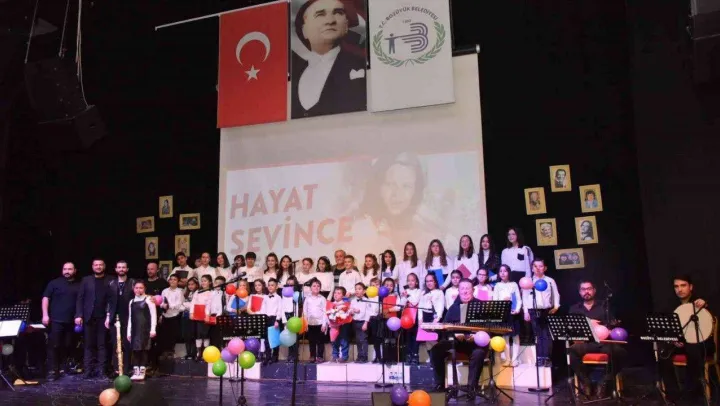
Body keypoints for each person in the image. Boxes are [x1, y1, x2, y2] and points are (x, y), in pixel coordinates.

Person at [291, 0, 366, 118]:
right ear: (304, 30)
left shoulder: (361, 66)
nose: (330, 21)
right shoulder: (292, 75)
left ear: (346, 26)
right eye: (320, 14)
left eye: (338, 13)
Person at [568, 280, 627, 399]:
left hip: (603, 343)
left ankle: (605, 380)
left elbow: (613, 325)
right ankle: (585, 381)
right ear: (580, 292)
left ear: (594, 290)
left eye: (589, 289)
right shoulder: (574, 309)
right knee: (571, 351)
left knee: (620, 352)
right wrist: (589, 323)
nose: (586, 292)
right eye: (583, 289)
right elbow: (571, 328)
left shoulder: (605, 306)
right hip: (585, 343)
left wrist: (610, 329)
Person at [430, 278, 488, 399]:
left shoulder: (481, 306)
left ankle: (472, 388)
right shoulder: (453, 307)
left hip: (475, 343)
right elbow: (445, 328)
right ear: (459, 291)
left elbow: (489, 328)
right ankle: (440, 385)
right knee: (436, 350)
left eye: (467, 288)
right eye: (462, 288)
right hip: (456, 342)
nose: (465, 291)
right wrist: (453, 334)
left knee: (478, 353)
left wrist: (476, 335)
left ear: (473, 290)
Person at [659, 274, 712, 403]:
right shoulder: (671, 305)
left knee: (694, 351)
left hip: (699, 343)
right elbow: (668, 329)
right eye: (676, 286)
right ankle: (673, 395)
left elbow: (709, 323)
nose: (679, 289)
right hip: (679, 342)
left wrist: (705, 305)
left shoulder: (699, 302)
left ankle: (691, 393)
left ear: (691, 287)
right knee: (663, 354)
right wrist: (674, 340)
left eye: (683, 285)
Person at [42, 262, 80, 381]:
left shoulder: (79, 285)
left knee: (68, 345)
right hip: (55, 320)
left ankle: (64, 368)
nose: (67, 271)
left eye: (70, 269)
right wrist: (45, 315)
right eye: (65, 269)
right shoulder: (54, 283)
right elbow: (45, 298)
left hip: (71, 321)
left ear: (75, 270)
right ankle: (53, 370)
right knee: (54, 345)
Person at [75, 259, 112, 379]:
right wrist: (78, 315)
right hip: (89, 317)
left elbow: (112, 299)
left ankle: (102, 371)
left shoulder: (110, 280)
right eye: (96, 265)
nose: (98, 267)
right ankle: (87, 371)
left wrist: (109, 315)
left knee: (102, 345)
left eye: (100, 265)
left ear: (104, 266)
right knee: (88, 345)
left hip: (103, 318)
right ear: (92, 267)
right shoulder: (86, 280)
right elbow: (80, 298)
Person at [521, 259, 560, 367]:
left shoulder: (550, 280)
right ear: (532, 268)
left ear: (545, 268)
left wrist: (556, 306)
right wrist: (526, 311)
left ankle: (547, 358)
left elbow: (556, 294)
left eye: (540, 266)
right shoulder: (529, 281)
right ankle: (539, 358)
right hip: (533, 310)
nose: (538, 268)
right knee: (537, 335)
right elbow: (525, 297)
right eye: (535, 266)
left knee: (546, 335)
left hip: (546, 310)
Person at [107, 261, 135, 376]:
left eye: (123, 267)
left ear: (127, 269)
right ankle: (116, 369)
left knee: (127, 344)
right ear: (116, 269)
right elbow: (108, 301)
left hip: (129, 318)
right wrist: (108, 316)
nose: (121, 269)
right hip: (115, 318)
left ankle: (127, 369)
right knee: (115, 344)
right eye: (119, 267)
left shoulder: (133, 282)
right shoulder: (111, 283)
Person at [126, 280, 157, 381]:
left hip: (145, 329)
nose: (138, 290)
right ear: (133, 289)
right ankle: (136, 371)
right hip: (135, 329)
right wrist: (128, 332)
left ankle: (142, 371)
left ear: (144, 289)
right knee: (135, 350)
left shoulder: (148, 300)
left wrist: (153, 329)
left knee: (144, 349)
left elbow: (153, 315)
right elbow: (130, 317)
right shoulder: (131, 301)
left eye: (141, 288)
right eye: (136, 288)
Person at [492, 265, 522, 367]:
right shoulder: (497, 285)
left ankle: (515, 359)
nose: (503, 273)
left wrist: (517, 310)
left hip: (513, 313)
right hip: (503, 314)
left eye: (505, 271)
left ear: (509, 272)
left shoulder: (514, 284)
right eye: (500, 271)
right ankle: (507, 359)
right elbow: (495, 300)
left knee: (515, 336)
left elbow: (518, 299)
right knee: (505, 337)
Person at [419, 273, 445, 362]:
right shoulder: (423, 293)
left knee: (434, 339)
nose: (429, 283)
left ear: (435, 282)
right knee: (427, 339)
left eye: (431, 281)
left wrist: (436, 320)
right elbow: (420, 307)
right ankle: (431, 358)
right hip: (425, 316)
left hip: (434, 317)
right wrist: (420, 319)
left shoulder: (439, 292)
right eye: (427, 281)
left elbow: (440, 307)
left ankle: (437, 359)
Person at [260, 279, 285, 365]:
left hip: (274, 319)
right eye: (269, 285)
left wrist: (277, 320)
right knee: (266, 339)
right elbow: (263, 308)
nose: (270, 287)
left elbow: (280, 309)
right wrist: (262, 318)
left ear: (276, 287)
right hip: (266, 319)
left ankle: (275, 356)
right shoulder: (265, 297)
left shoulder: (278, 298)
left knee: (274, 338)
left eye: (272, 285)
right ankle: (267, 357)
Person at [303, 279, 329, 363]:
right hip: (310, 323)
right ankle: (312, 356)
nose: (316, 287)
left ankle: (320, 356)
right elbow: (305, 311)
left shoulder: (322, 299)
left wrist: (324, 324)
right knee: (312, 341)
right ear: (310, 288)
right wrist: (305, 323)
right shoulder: (307, 298)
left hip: (320, 323)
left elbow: (325, 312)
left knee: (320, 341)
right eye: (314, 286)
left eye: (318, 286)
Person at [189, 275, 214, 361]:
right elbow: (193, 302)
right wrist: (191, 312)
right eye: (202, 281)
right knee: (198, 334)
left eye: (205, 281)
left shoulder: (211, 292)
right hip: (197, 315)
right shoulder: (198, 291)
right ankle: (198, 352)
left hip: (206, 315)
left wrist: (207, 315)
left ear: (210, 282)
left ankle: (205, 353)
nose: (203, 282)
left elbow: (209, 304)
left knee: (206, 334)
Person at [160, 274, 184, 357]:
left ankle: (171, 352)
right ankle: (165, 353)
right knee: (164, 335)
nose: (172, 281)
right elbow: (161, 301)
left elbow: (179, 304)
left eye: (175, 279)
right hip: (165, 315)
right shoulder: (165, 291)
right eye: (171, 279)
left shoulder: (179, 291)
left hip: (174, 316)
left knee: (172, 335)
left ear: (178, 282)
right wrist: (163, 305)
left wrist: (169, 306)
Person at [400, 273, 422, 364]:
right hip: (406, 316)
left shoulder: (419, 291)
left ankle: (415, 355)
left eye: (412, 280)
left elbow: (415, 301)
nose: (410, 282)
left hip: (415, 316)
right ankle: (408, 355)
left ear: (416, 282)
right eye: (408, 280)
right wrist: (404, 297)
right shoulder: (406, 291)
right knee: (408, 337)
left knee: (415, 337)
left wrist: (407, 295)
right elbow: (402, 304)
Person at [328, 286, 353, 362]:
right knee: (334, 340)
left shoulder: (346, 304)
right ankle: (335, 355)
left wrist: (347, 313)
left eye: (339, 293)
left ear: (343, 295)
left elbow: (349, 313)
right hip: (334, 325)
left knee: (344, 340)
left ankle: (344, 356)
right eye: (335, 293)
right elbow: (327, 314)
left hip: (343, 325)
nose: (336, 294)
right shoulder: (331, 304)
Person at [349, 282, 371, 363]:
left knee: (363, 339)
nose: (357, 291)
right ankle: (359, 356)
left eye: (359, 289)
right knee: (358, 340)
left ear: (364, 291)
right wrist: (352, 311)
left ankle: (364, 356)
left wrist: (366, 323)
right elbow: (350, 310)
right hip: (355, 322)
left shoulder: (367, 301)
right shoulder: (353, 300)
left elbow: (368, 313)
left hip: (363, 322)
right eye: (356, 289)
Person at [181, 277, 199, 360]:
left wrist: (187, 305)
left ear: (196, 285)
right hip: (185, 316)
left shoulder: (198, 293)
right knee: (186, 336)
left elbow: (193, 305)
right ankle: (188, 353)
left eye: (192, 284)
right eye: (189, 284)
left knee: (193, 335)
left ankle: (193, 353)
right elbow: (183, 304)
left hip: (194, 317)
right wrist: (186, 305)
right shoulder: (186, 293)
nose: (190, 286)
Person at [365, 277, 382, 363]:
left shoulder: (382, 297)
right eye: (372, 285)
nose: (375, 287)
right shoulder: (369, 298)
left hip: (381, 319)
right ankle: (377, 356)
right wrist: (366, 322)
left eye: (377, 285)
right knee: (375, 339)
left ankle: (382, 356)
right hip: (373, 320)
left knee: (380, 338)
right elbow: (368, 311)